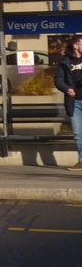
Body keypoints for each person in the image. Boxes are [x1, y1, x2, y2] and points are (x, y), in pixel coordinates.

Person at [54, 34, 82, 171]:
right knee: (78, 133)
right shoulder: (65, 62)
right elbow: (58, 80)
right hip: (75, 102)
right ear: (76, 45)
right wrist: (66, 89)